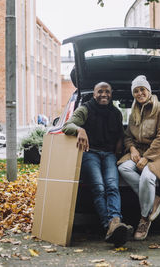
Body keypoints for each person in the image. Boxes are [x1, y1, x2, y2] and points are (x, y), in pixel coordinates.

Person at [62, 82, 132, 247]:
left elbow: (120, 133)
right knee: (99, 187)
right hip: (90, 152)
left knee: (112, 186)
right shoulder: (85, 109)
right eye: (100, 91)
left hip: (108, 154)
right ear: (94, 94)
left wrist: (119, 145)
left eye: (107, 91)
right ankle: (112, 226)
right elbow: (67, 125)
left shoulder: (116, 112)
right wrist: (80, 130)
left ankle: (114, 222)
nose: (104, 94)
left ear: (111, 94)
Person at [117, 75, 160, 241]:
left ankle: (144, 218)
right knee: (123, 167)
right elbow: (127, 135)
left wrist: (147, 158)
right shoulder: (134, 111)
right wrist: (132, 149)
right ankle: (154, 198)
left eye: (142, 89)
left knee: (147, 176)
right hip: (139, 151)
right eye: (136, 90)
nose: (139, 93)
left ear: (148, 90)